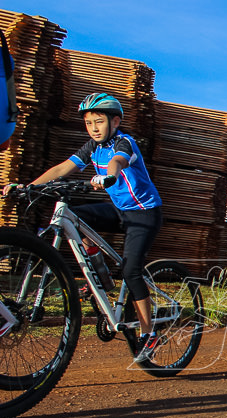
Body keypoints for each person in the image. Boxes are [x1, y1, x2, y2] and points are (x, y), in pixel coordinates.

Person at [3, 93, 163, 364]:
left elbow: (118, 162)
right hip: (119, 210)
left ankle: (149, 332)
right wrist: (29, 186)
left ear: (115, 121)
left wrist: (109, 176)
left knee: (130, 269)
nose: (94, 128)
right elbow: (63, 168)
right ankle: (99, 276)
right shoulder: (92, 147)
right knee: (72, 215)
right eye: (88, 123)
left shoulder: (125, 142)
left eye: (99, 122)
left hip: (144, 213)